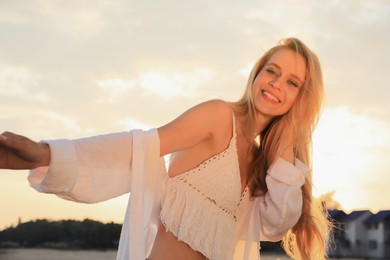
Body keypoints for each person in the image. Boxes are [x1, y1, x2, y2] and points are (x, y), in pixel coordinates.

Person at [0, 38, 331, 260]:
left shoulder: (266, 166)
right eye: (272, 71)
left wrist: (287, 140)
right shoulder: (218, 117)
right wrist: (47, 155)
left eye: (292, 82)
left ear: (303, 99)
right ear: (257, 73)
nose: (275, 83)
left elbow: (277, 223)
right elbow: (139, 148)